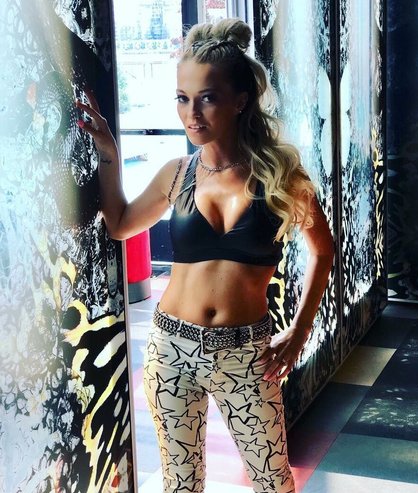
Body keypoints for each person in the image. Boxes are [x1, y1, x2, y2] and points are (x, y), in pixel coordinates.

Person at [77, 17, 334, 493]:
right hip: (171, 348)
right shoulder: (176, 174)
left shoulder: (281, 175)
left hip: (246, 353)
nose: (191, 113)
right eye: (182, 98)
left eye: (208, 98)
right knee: (181, 484)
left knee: (273, 481)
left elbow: (324, 250)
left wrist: (300, 332)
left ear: (240, 101)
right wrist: (109, 152)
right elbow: (120, 224)